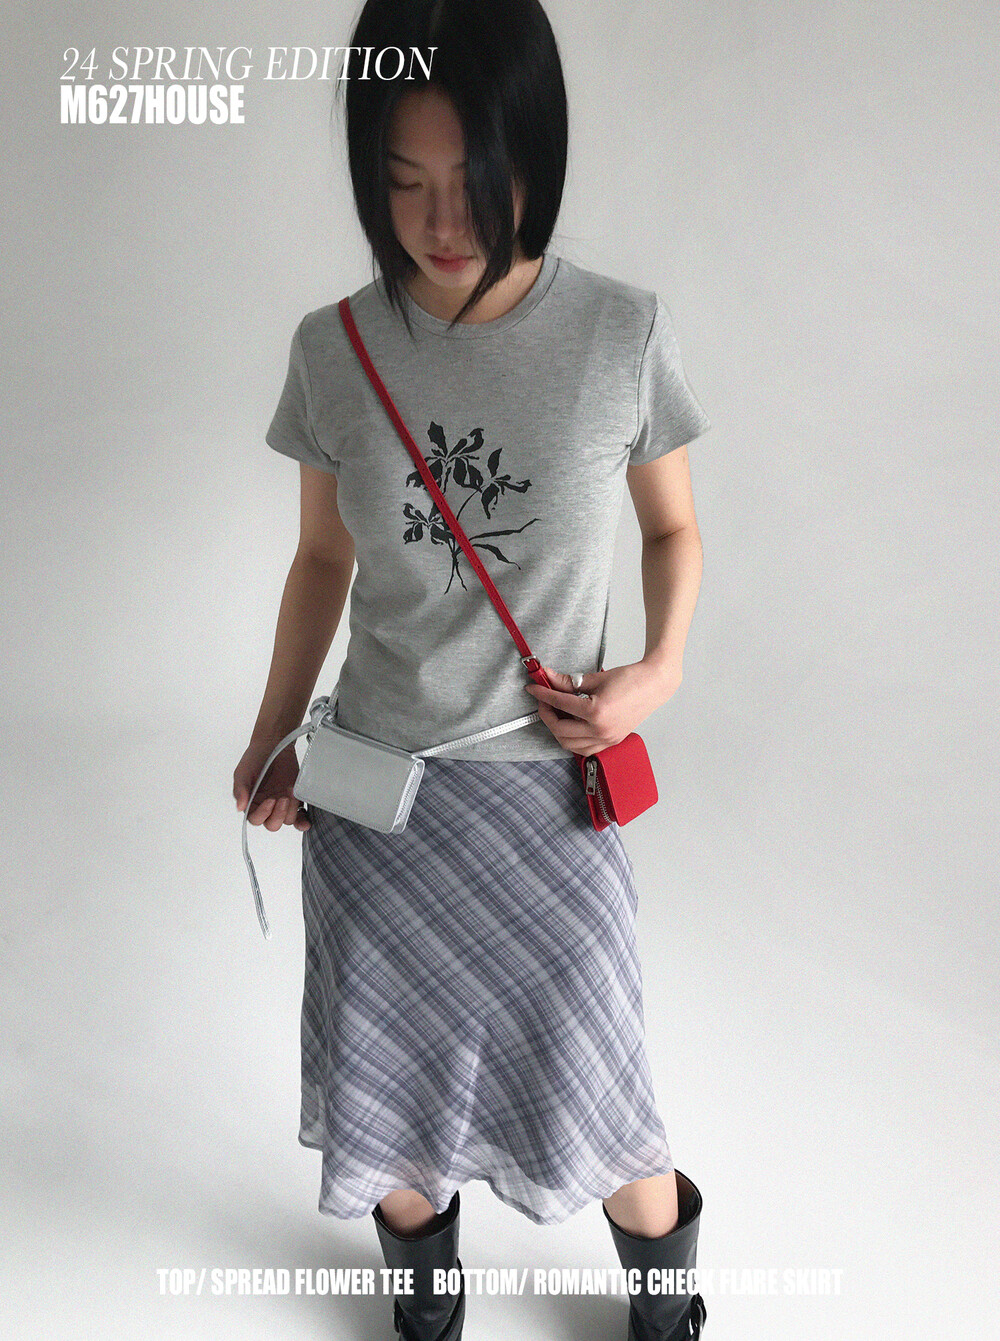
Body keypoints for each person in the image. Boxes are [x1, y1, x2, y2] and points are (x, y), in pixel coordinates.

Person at [233, 1, 710, 1337]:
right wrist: (273, 733)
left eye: (477, 179)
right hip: (378, 793)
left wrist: (657, 671)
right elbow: (320, 560)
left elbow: (673, 531)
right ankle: (426, 1311)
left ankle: (668, 1308)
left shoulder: (620, 334)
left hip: (548, 791)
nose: (442, 221)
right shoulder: (333, 349)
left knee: (603, 1084)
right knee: (391, 1092)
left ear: (534, 155)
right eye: (404, 183)